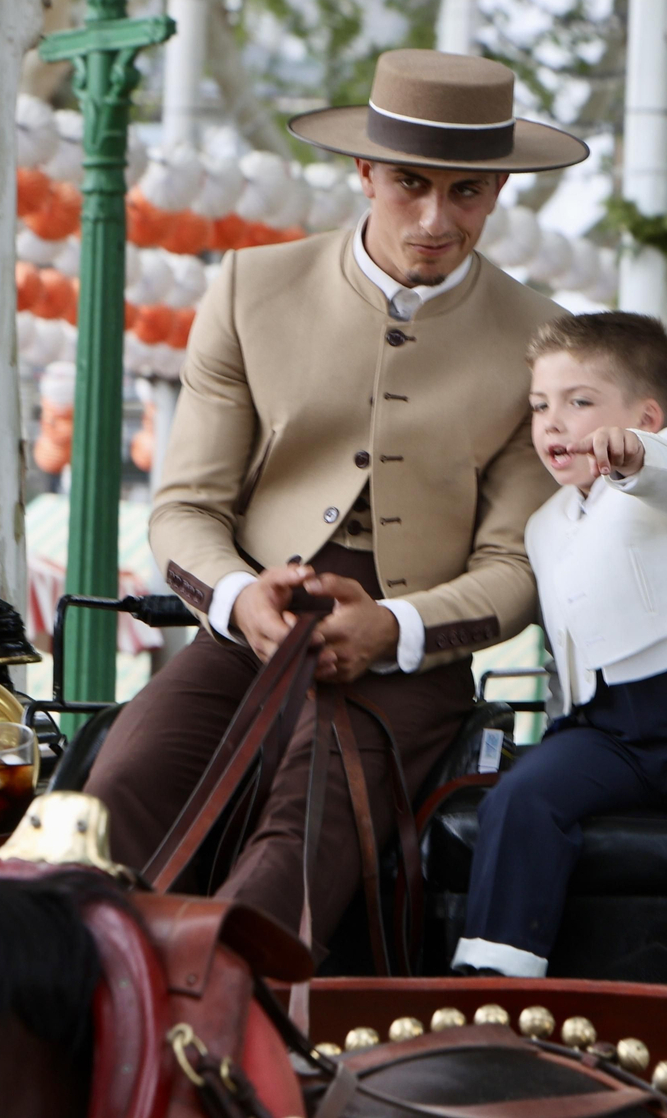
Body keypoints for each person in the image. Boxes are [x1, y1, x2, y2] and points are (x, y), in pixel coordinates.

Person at [83, 48, 589, 959]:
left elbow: (515, 566)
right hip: (244, 634)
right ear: (364, 171)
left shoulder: (543, 343)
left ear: (500, 189)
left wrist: (393, 628)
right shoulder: (249, 288)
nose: (435, 219)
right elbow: (185, 507)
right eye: (410, 184)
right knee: (116, 792)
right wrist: (240, 598)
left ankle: (222, 1026)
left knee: (299, 838)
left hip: (413, 661)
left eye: (467, 192)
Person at [451, 312, 667, 993]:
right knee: (520, 799)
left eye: (579, 402)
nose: (553, 423)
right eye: (540, 406)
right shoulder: (544, 523)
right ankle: (494, 981)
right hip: (603, 734)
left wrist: (638, 455)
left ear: (647, 416)